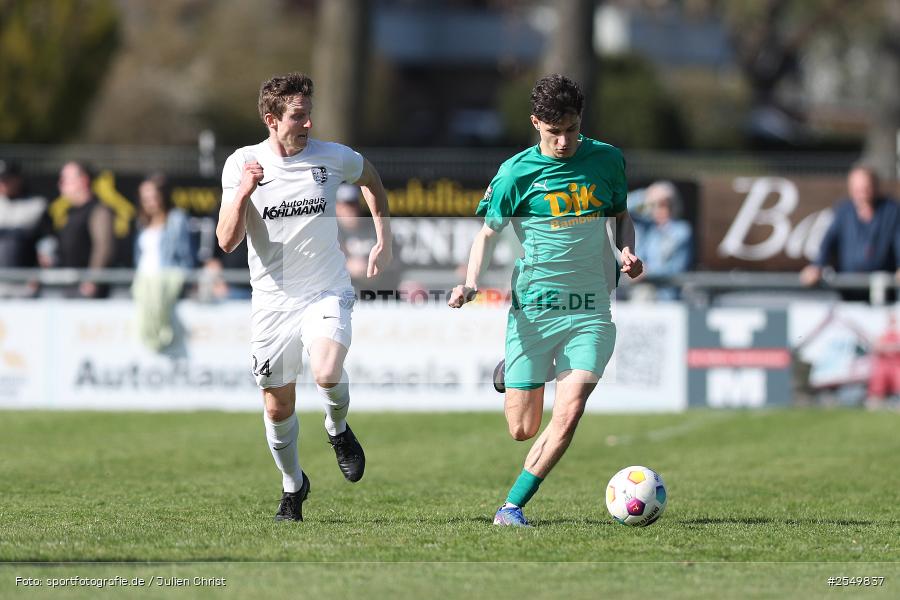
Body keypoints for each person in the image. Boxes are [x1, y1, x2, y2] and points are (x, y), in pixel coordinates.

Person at [448, 74, 643, 527]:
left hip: (591, 310)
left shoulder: (608, 160)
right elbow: (488, 234)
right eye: (554, 132)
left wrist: (627, 251)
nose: (563, 141)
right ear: (536, 123)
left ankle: (511, 506)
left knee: (570, 412)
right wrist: (471, 282)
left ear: (581, 121)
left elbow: (621, 216)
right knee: (522, 429)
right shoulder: (516, 173)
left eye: (572, 130)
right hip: (533, 312)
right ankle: (514, 372)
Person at [216, 72, 392, 522]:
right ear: (271, 119)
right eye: (298, 115)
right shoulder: (242, 164)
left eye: (309, 113)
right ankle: (293, 486)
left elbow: (369, 175)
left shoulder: (332, 158)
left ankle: (337, 428)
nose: (308, 123)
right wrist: (242, 194)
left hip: (325, 290)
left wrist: (382, 236)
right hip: (273, 303)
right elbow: (226, 241)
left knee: (327, 370)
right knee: (278, 405)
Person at [800, 166, 900, 300]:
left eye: (866, 188)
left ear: (875, 186)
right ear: (851, 189)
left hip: (883, 289)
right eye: (858, 189)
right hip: (848, 288)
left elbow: (898, 239)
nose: (862, 193)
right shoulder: (844, 211)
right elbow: (829, 241)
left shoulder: (891, 210)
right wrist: (817, 266)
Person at [131, 176, 195, 351]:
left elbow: (185, 254)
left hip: (165, 281)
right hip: (144, 281)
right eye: (145, 198)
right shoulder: (141, 222)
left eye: (153, 196)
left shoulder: (176, 218)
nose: (150, 202)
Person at [41, 161, 115, 298]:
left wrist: (93, 280)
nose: (60, 184)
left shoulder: (98, 210)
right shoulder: (70, 212)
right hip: (69, 285)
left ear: (83, 180)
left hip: (87, 291)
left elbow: (103, 247)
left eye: (65, 179)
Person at [630, 181, 693, 300]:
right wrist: (645, 195)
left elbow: (677, 268)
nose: (658, 209)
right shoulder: (647, 228)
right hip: (640, 297)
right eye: (653, 204)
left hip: (667, 299)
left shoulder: (681, 231)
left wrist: (646, 273)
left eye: (664, 204)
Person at [0, 161, 46, 297]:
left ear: (18, 179)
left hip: (24, 284)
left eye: (6, 180)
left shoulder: (36, 205)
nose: (3, 184)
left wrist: (39, 274)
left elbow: (46, 245)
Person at [866, 313, 900, 410]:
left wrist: (887, 348)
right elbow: (876, 347)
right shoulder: (882, 334)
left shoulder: (897, 333)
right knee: (878, 380)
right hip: (883, 366)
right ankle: (876, 401)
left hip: (896, 366)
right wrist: (893, 347)